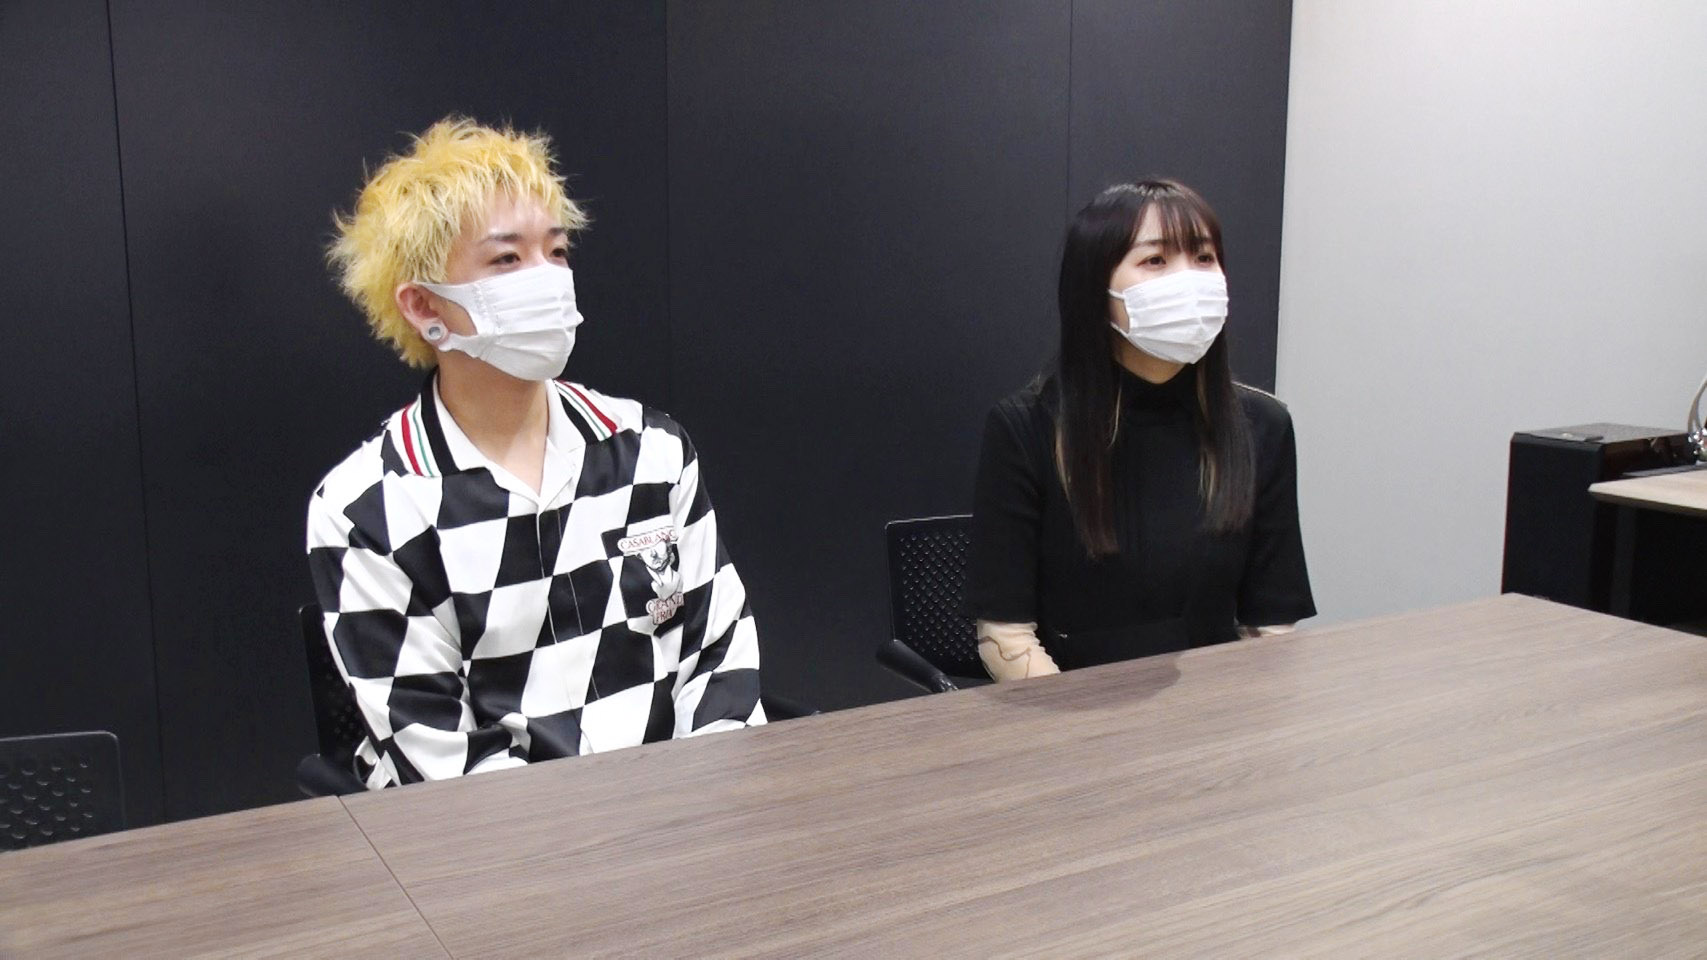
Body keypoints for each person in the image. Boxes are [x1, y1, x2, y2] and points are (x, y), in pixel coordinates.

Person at [307, 117, 763, 788]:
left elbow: (720, 658)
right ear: (424, 306)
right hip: (494, 838)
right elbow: (439, 756)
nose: (547, 278)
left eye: (557, 250)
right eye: (506, 259)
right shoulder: (366, 508)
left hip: (683, 815)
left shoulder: (652, 450)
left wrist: (701, 808)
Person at [965, 179, 1314, 680]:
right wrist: (1098, 727)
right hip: (1069, 708)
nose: (1188, 280)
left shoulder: (1262, 426)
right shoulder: (1026, 427)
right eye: (1155, 260)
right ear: (1096, 286)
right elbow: (1006, 637)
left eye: (1204, 258)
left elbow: (1270, 627)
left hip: (1214, 707)